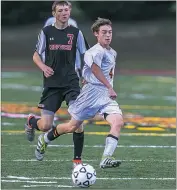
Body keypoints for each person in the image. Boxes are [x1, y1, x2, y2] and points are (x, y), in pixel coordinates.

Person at [35, 17, 124, 169]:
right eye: (104, 32)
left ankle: (106, 158)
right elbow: (95, 69)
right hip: (90, 95)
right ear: (96, 34)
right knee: (72, 126)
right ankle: (45, 139)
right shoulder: (94, 51)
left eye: (110, 32)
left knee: (118, 122)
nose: (108, 35)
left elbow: (90, 70)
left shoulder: (112, 52)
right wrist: (108, 86)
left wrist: (88, 78)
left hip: (105, 97)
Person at [24, 1, 89, 167]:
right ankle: (31, 121)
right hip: (52, 83)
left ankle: (77, 161)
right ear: (54, 13)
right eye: (60, 10)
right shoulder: (46, 32)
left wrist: (87, 75)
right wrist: (43, 67)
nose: (64, 13)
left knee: (78, 121)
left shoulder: (76, 33)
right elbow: (36, 55)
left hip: (71, 82)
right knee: (45, 125)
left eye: (66, 10)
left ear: (70, 12)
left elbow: (87, 55)